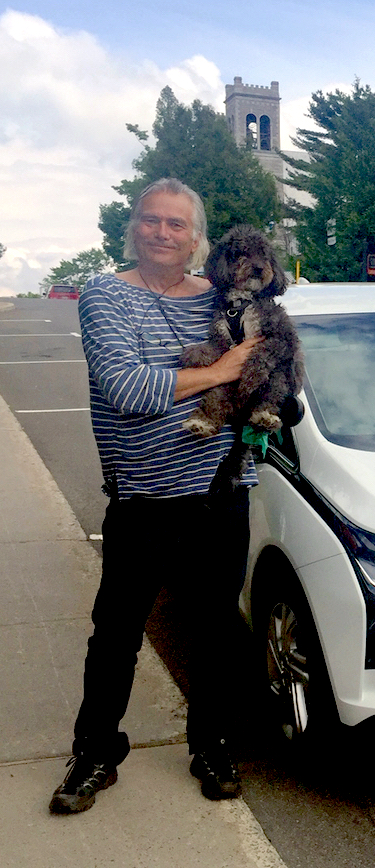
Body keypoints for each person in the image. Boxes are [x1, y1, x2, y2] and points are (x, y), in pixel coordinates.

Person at [50, 178, 263, 814]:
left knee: (216, 628)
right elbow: (127, 389)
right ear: (133, 228)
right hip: (141, 496)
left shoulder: (222, 301)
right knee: (116, 631)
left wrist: (255, 384)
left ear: (196, 239)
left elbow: (266, 368)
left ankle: (212, 744)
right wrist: (220, 371)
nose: (162, 233)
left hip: (220, 492)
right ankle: (95, 751)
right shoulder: (104, 295)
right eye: (151, 220)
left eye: (176, 224)